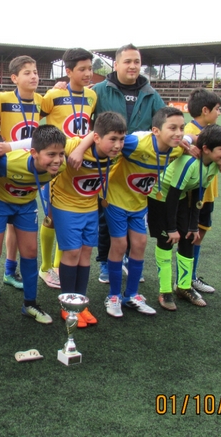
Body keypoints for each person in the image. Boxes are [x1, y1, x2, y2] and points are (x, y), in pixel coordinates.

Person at [70, 107, 187, 317]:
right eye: (172, 128)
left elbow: (196, 139)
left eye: (181, 128)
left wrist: (218, 158)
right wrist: (79, 150)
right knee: (121, 244)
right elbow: (97, 135)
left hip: (139, 203)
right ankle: (113, 295)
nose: (178, 133)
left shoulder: (177, 148)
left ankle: (132, 294)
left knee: (140, 244)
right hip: (115, 199)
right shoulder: (136, 144)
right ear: (155, 131)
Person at [0, 125, 66, 332]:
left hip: (25, 204)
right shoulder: (6, 163)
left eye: (60, 154)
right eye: (51, 154)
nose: (57, 160)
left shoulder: (61, 165)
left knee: (30, 252)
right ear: (34, 153)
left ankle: (30, 304)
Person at [91, 44, 165, 281]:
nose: (133, 66)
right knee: (105, 214)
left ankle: (129, 260)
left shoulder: (151, 94)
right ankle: (105, 261)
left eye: (137, 61)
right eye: (128, 61)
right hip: (108, 163)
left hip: (138, 167)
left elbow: (166, 124)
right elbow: (81, 110)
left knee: (135, 215)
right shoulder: (99, 90)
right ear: (116, 64)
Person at [47, 112, 125, 327]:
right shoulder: (72, 146)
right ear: (97, 138)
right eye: (113, 139)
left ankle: (80, 303)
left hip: (90, 206)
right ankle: (68, 304)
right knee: (71, 252)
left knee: (86, 253)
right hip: (65, 205)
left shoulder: (118, 151)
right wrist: (81, 148)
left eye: (121, 139)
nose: (118, 145)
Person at [147, 124, 221, 311]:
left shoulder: (214, 165)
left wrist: (193, 226)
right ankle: (165, 291)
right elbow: (172, 195)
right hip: (161, 198)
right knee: (166, 241)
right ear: (206, 149)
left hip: (183, 198)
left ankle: (184, 287)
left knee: (188, 238)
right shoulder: (190, 163)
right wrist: (171, 228)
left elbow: (197, 194)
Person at [39, 48, 98, 290]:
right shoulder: (54, 95)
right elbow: (35, 118)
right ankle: (45, 268)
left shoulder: (92, 97)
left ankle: (57, 266)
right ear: (69, 71)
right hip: (57, 163)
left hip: (79, 162)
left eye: (90, 68)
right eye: (82, 69)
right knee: (52, 218)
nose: (87, 73)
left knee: (68, 223)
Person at [0, 55, 44, 294]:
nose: (33, 76)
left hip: (27, 172)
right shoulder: (0, 99)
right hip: (4, 170)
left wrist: (62, 86)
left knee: (15, 226)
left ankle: (10, 271)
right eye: (27, 72)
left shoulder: (43, 101)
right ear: (14, 78)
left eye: (35, 72)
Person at [184, 89, 221, 294]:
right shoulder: (187, 131)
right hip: (192, 195)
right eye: (217, 109)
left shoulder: (213, 132)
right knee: (190, 235)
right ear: (205, 110)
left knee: (201, 233)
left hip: (207, 192)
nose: (219, 113)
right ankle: (185, 279)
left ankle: (191, 276)